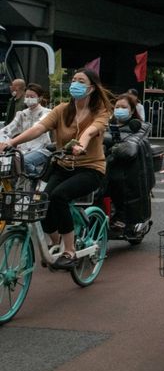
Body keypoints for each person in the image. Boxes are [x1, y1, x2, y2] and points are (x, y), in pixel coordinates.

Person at [0, 69, 112, 269]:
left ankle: (69, 251)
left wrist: (82, 145)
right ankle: (55, 241)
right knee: (42, 201)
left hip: (90, 168)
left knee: (59, 196)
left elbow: (91, 131)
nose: (75, 84)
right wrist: (11, 142)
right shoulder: (61, 110)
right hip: (61, 166)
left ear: (91, 88)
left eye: (81, 81)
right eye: (74, 80)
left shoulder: (101, 111)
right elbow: (38, 128)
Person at [104, 93, 154, 233]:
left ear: (132, 110)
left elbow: (130, 149)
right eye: (117, 107)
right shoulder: (106, 124)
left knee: (117, 179)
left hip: (128, 169)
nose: (119, 109)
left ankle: (122, 218)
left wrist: (112, 146)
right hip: (103, 163)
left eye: (123, 107)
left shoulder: (141, 126)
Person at [0, 83, 52, 178]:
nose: (28, 98)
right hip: (22, 150)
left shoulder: (47, 113)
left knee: (25, 162)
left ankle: (40, 179)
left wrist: (11, 142)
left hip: (41, 149)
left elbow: (37, 128)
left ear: (40, 98)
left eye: (32, 96)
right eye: (27, 96)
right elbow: (8, 130)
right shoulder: (22, 114)